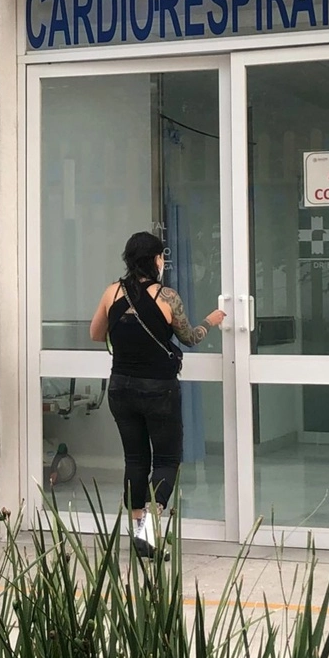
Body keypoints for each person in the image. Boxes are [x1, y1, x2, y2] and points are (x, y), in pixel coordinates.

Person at [89, 232, 225, 558]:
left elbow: (95, 333)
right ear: (155, 260)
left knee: (135, 459)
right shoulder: (167, 297)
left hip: (121, 387)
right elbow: (189, 337)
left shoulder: (112, 292)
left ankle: (141, 534)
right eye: (161, 257)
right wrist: (211, 321)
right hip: (158, 389)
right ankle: (148, 532)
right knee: (166, 460)